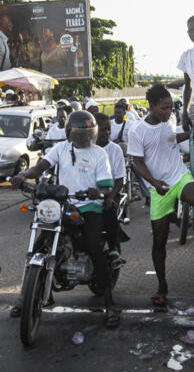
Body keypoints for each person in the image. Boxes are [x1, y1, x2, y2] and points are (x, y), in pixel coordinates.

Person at [11, 111, 120, 327]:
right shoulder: (60, 149)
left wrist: (96, 192)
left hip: (89, 206)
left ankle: (109, 303)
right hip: (63, 203)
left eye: (87, 133)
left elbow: (106, 186)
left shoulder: (99, 154)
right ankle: (25, 298)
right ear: (70, 132)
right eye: (79, 133)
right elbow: (40, 166)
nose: (83, 137)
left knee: (92, 244)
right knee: (41, 241)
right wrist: (23, 175)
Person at [128, 84, 194, 307]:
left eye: (171, 107)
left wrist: (190, 133)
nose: (169, 112)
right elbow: (138, 163)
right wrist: (154, 183)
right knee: (159, 240)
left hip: (179, 176)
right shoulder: (136, 130)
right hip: (159, 186)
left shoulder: (168, 122)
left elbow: (170, 140)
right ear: (151, 107)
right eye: (164, 108)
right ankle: (161, 286)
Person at [95, 113, 127, 267]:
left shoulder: (115, 150)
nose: (106, 133)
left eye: (108, 129)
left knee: (108, 211)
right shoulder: (86, 148)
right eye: (102, 130)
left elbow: (120, 180)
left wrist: (110, 197)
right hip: (88, 196)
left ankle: (113, 250)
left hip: (110, 192)